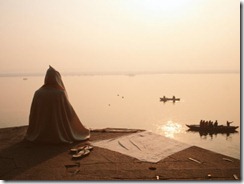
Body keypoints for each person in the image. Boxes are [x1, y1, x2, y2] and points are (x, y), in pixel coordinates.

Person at [25, 66, 90, 143]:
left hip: (39, 133)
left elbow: (33, 114)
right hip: (59, 132)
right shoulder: (60, 94)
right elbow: (68, 113)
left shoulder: (38, 93)